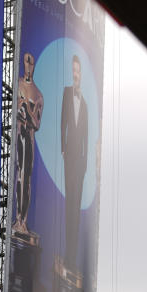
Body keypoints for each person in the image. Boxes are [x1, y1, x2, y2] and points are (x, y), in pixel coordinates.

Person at [60, 54, 88, 271]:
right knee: (69, 206)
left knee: (76, 209)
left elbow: (86, 136)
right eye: (74, 70)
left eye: (78, 70)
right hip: (69, 156)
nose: (75, 73)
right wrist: (62, 147)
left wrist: (85, 162)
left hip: (80, 162)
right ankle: (67, 257)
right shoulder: (67, 93)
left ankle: (73, 259)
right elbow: (63, 121)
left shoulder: (85, 103)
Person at [13, 52, 43, 235]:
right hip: (19, 135)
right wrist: (22, 107)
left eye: (32, 63)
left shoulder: (38, 95)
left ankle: (23, 221)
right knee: (19, 176)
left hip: (29, 138)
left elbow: (36, 123)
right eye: (26, 62)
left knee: (27, 179)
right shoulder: (17, 84)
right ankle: (17, 219)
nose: (29, 66)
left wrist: (26, 108)